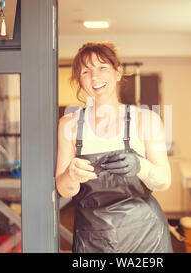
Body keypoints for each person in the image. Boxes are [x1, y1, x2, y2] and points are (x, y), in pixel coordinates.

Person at [55, 42, 173, 253]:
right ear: (80, 81)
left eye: (102, 68)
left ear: (118, 73)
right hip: (92, 240)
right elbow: (64, 190)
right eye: (85, 71)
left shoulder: (146, 119)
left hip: (145, 237)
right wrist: (71, 175)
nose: (95, 77)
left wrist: (141, 166)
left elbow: (164, 181)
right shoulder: (69, 125)